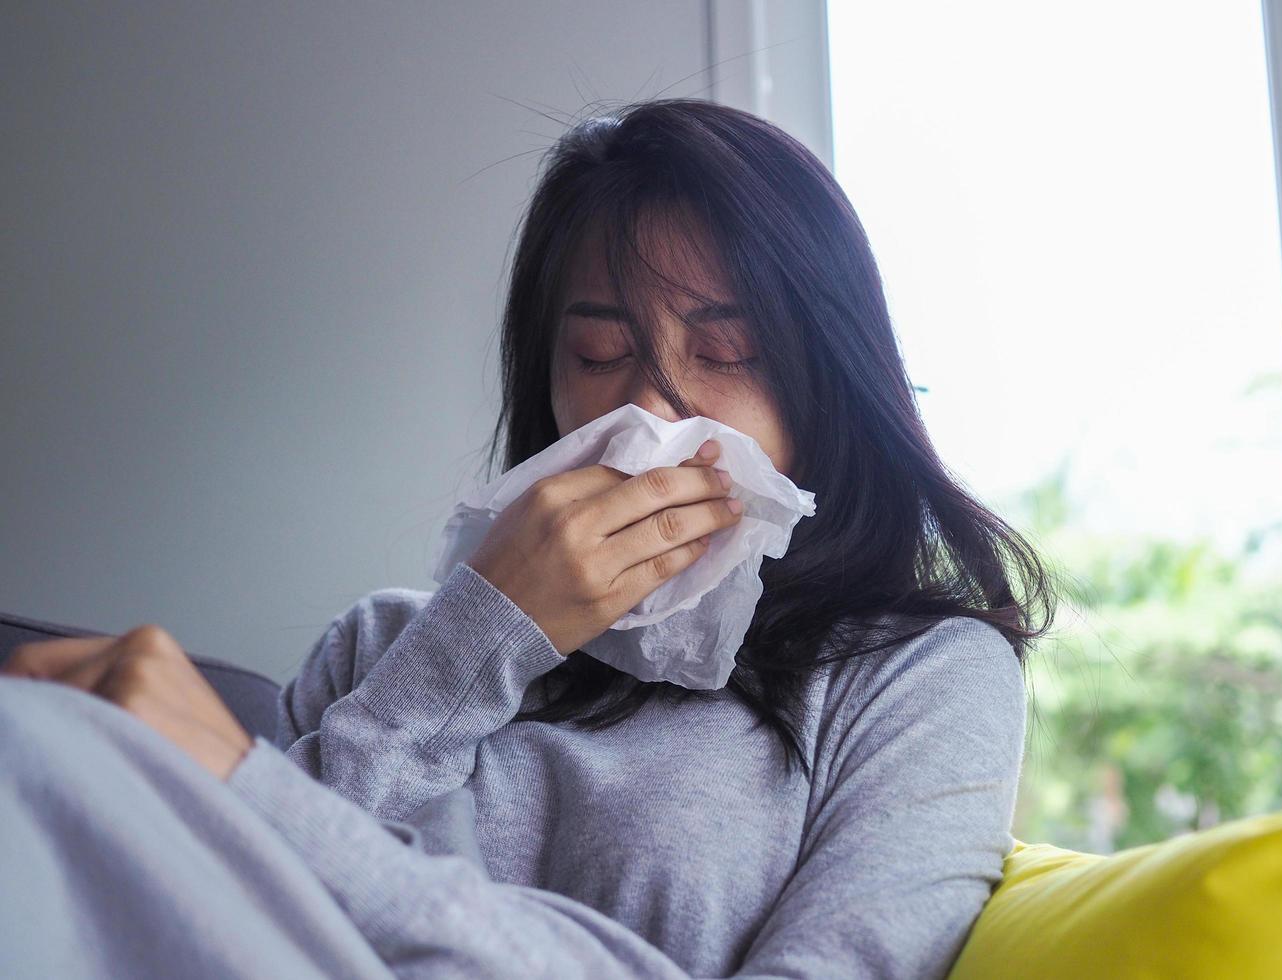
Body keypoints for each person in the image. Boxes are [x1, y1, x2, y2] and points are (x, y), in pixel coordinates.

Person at [0, 97, 1056, 978]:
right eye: (600, 353)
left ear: (829, 382)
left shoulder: (918, 675)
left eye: (728, 349)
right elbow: (242, 939)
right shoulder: (385, 651)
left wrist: (251, 792)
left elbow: (288, 870)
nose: (652, 415)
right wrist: (475, 641)